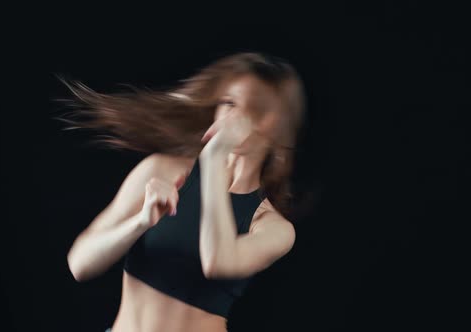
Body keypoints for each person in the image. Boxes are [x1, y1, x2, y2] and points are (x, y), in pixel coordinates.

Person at [58, 52, 309, 332]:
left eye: (251, 108)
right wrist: (140, 222)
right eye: (228, 102)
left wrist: (214, 159)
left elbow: (217, 262)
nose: (232, 116)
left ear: (275, 124)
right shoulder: (161, 171)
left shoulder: (273, 228)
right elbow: (79, 264)